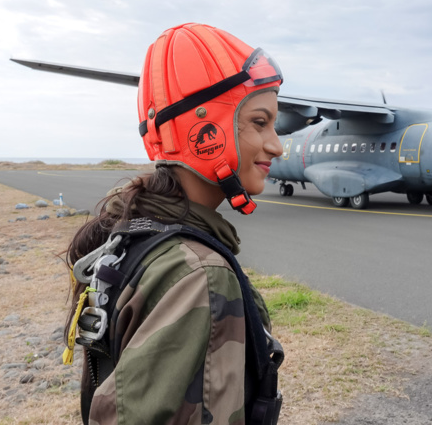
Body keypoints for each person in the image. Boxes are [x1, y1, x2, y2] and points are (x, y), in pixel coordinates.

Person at [61, 23, 285, 424]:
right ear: (204, 129)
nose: (277, 144)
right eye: (259, 122)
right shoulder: (199, 273)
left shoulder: (134, 235)